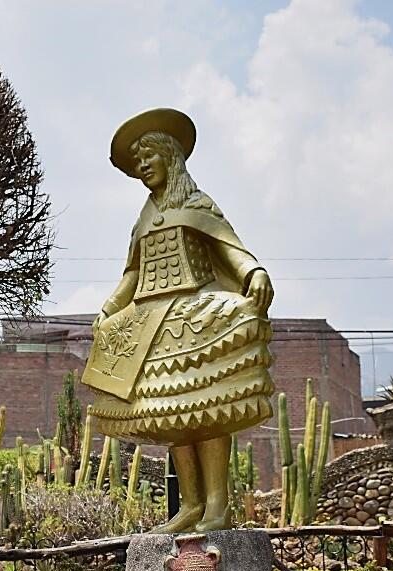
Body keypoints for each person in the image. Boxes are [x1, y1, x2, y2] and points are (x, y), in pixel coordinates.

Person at [82, 107, 275, 532]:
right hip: (150, 319)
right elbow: (133, 273)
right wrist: (110, 307)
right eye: (137, 161)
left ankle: (217, 506)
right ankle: (190, 505)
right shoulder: (143, 218)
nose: (143, 166)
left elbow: (230, 247)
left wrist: (254, 272)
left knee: (208, 408)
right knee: (172, 414)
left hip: (195, 309)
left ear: (170, 156)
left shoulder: (197, 203)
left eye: (149, 156)